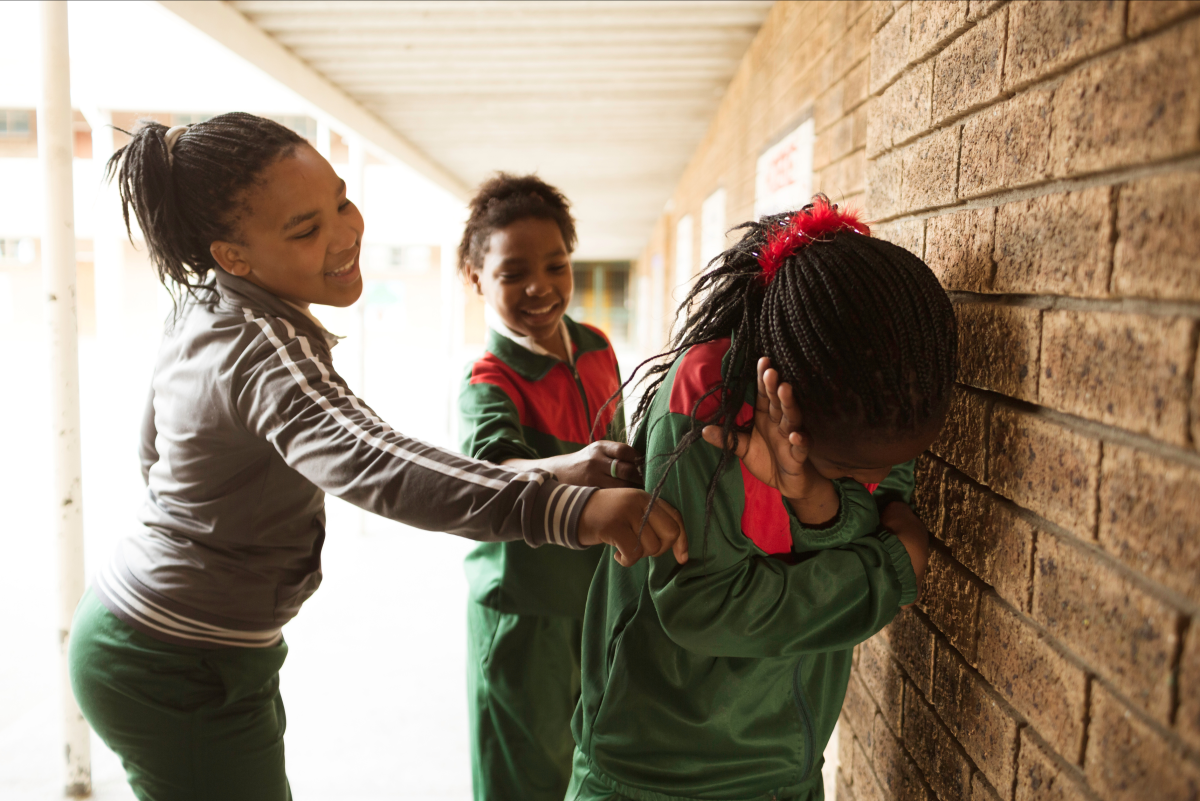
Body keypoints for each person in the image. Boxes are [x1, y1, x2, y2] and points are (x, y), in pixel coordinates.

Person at [65, 113, 686, 801]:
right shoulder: (261, 349)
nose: (345, 232)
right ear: (232, 255)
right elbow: (377, 461)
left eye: (340, 199)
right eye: (305, 229)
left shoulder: (204, 303)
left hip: (171, 641)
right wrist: (564, 506)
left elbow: (152, 451)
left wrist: (560, 468)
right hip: (176, 660)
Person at [568, 196, 957, 800]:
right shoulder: (706, 408)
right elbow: (706, 608)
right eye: (851, 470)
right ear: (787, 401)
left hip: (788, 770)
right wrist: (885, 574)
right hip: (656, 776)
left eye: (894, 465)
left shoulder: (880, 386)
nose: (883, 478)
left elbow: (882, 510)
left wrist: (816, 502)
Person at [456, 174, 641, 801]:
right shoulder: (489, 380)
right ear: (476, 279)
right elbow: (488, 476)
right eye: (513, 273)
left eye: (556, 265)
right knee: (524, 778)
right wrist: (575, 465)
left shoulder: (596, 346)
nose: (540, 287)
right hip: (525, 611)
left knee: (588, 765)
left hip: (596, 598)